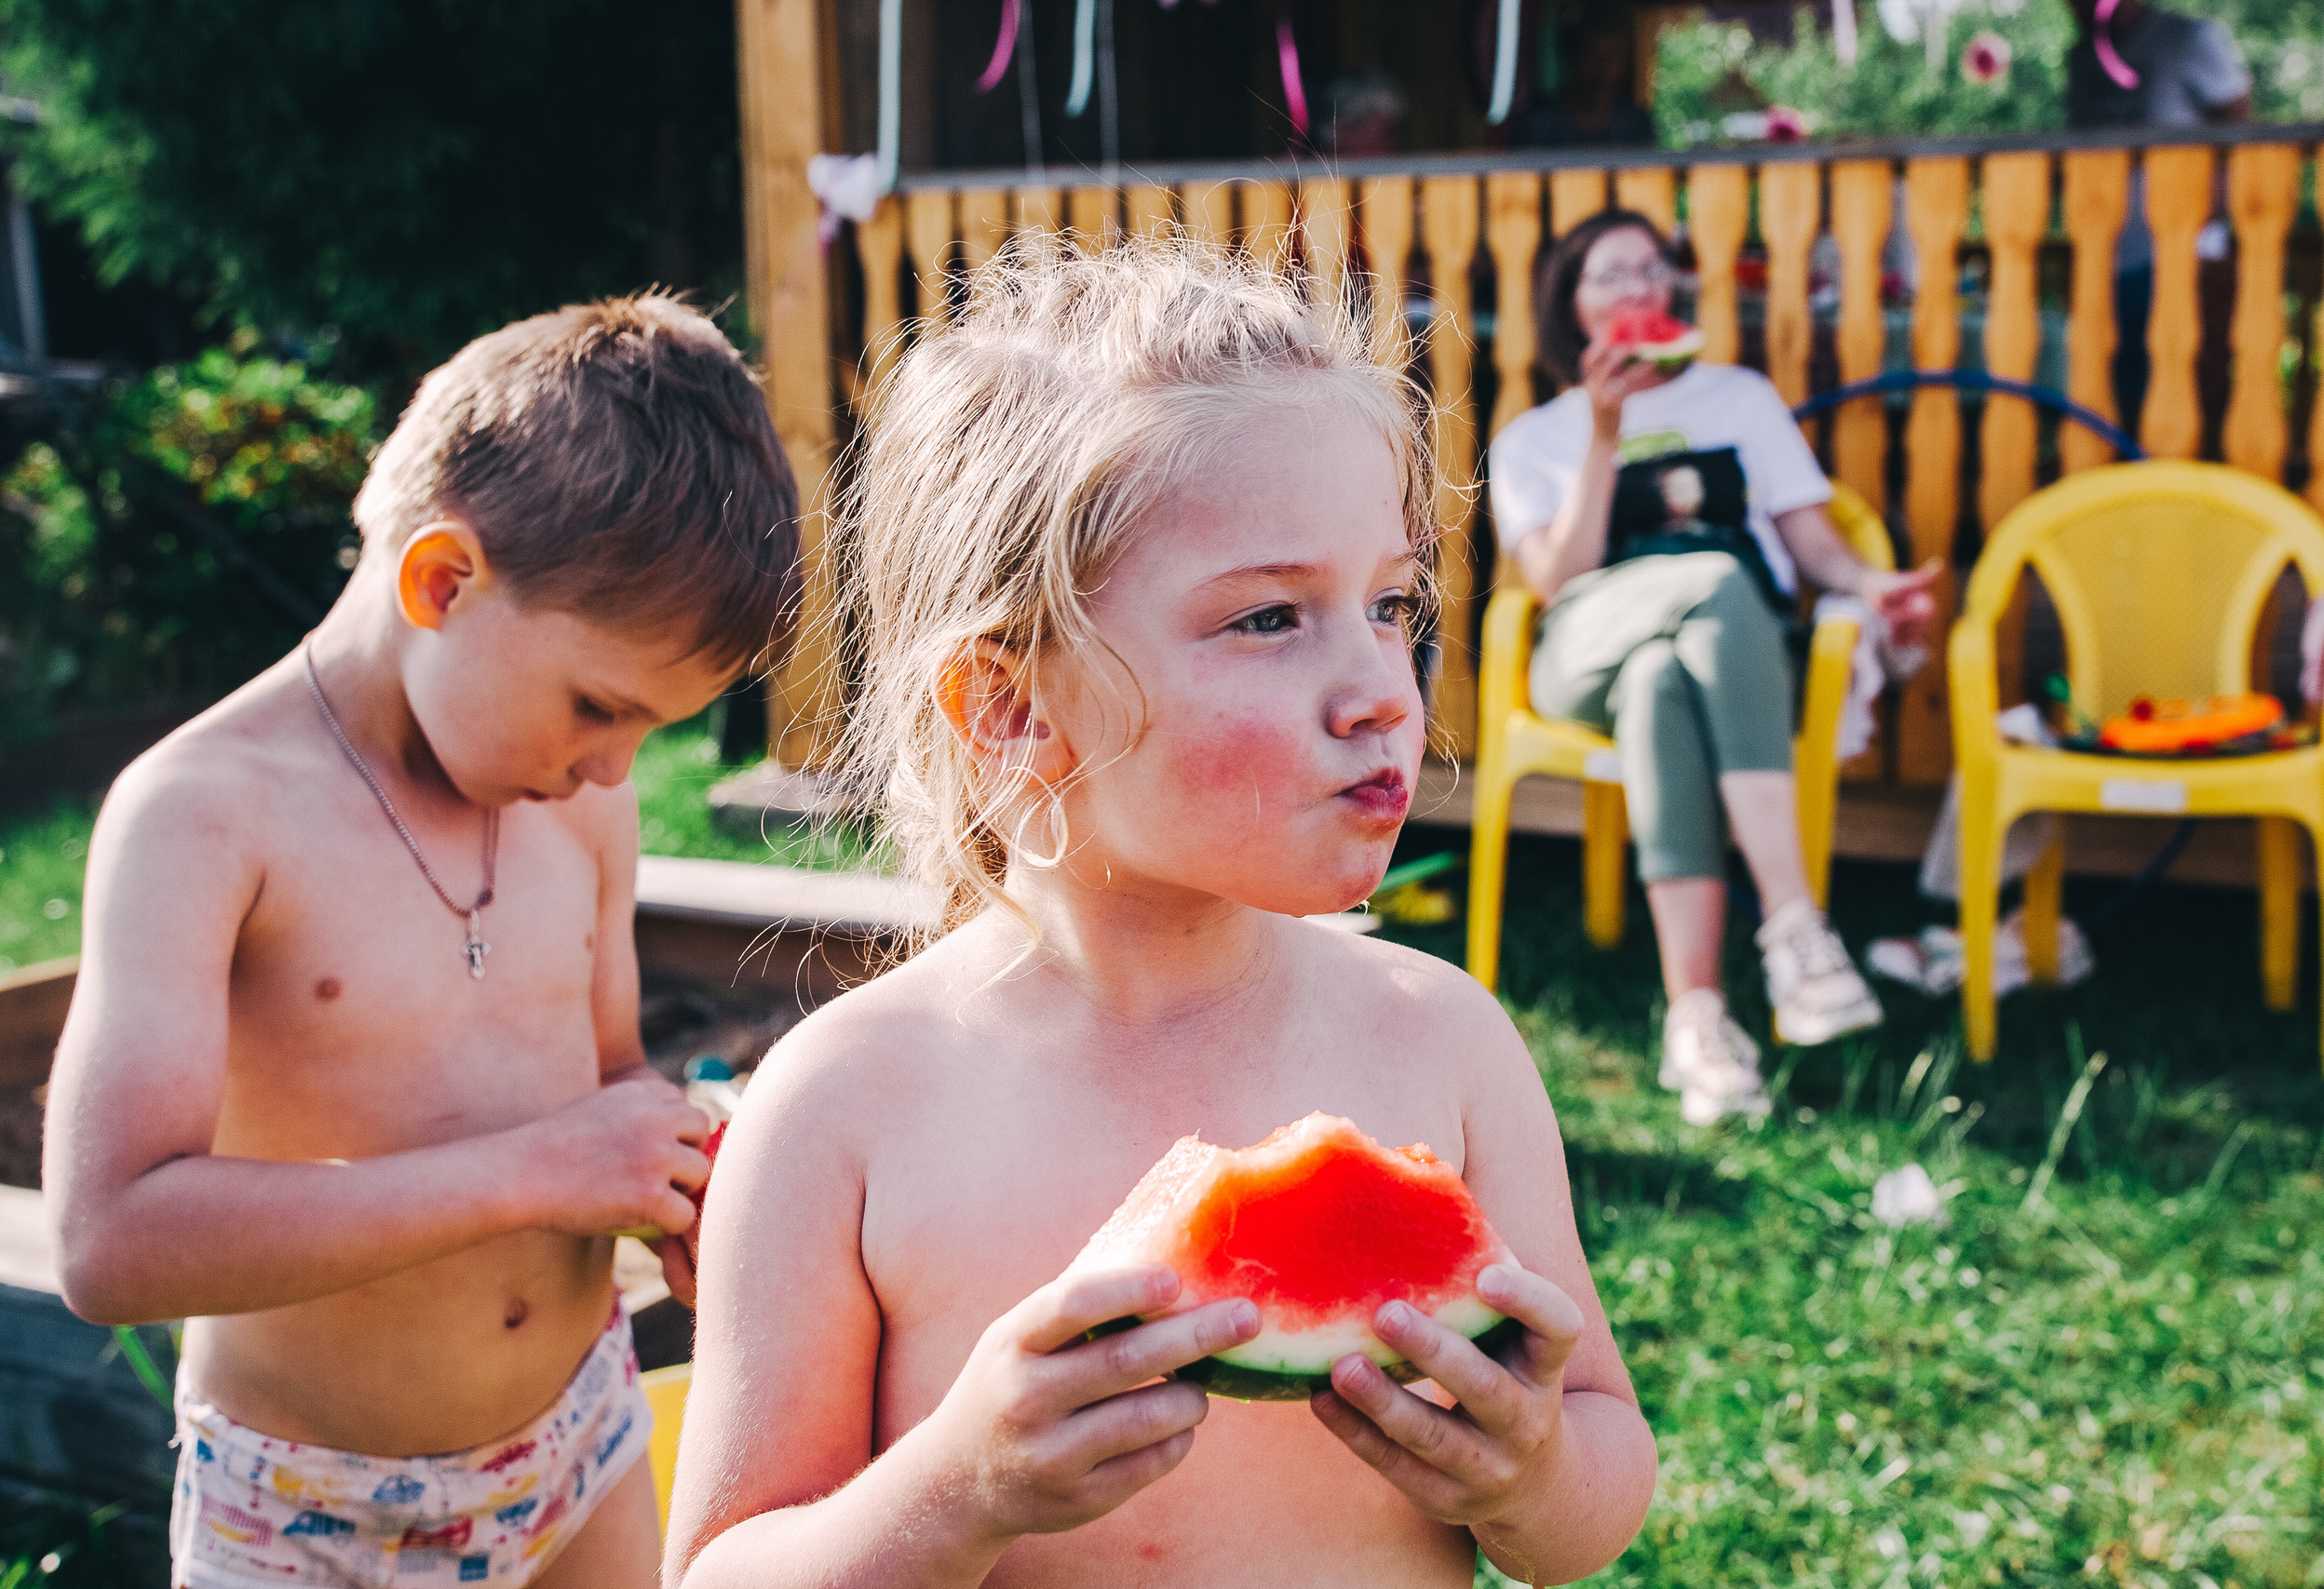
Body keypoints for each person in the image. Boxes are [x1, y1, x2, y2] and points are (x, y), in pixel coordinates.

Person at [664, 239, 1657, 1589]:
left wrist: (1536, 1473)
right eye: (1268, 618)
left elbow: (1600, 1474)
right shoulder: (842, 1106)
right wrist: (957, 1488)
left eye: (1391, 604)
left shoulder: (1445, 1039)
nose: (1379, 684)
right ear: (1011, 707)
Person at [44, 296, 803, 1589]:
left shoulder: (586, 804)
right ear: (441, 581)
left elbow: (609, 1067)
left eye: (649, 733)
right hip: (307, 1505)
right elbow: (109, 1238)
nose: (612, 768)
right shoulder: (204, 815)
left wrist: (667, 1173)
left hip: (581, 1441)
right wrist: (536, 1169)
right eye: (595, 706)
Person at [1486, 210, 1938, 1124]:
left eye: (1652, 271)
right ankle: (1793, 922)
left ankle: (1698, 1023)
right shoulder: (1535, 436)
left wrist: (1871, 583)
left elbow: (1810, 537)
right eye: (1611, 275)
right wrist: (1605, 434)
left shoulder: (1738, 400)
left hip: (1714, 658)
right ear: (1568, 302)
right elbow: (1555, 577)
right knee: (1716, 581)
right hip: (1582, 648)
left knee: (1663, 681)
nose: (1639, 289)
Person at [2065, 0, 2251, 432]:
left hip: (2179, 250)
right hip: (2103, 255)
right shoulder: (2082, 56)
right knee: (2109, 391)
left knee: (2182, 385)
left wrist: (2211, 227)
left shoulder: (2191, 39)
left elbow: (2239, 128)